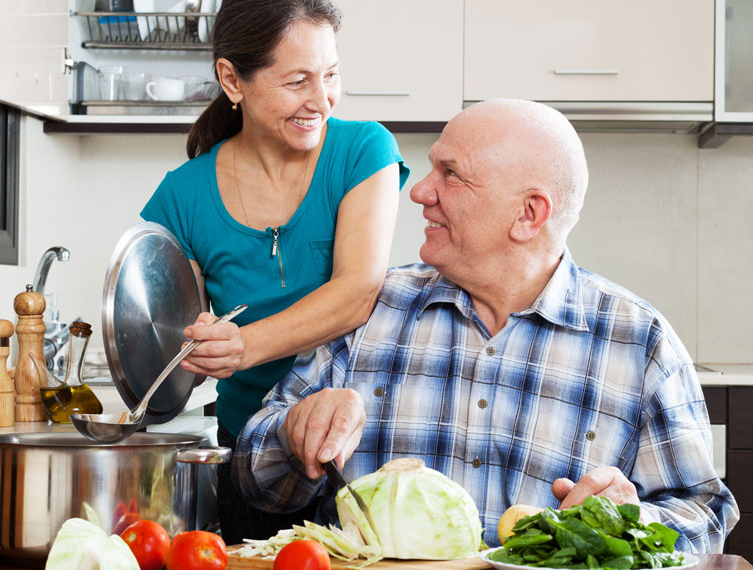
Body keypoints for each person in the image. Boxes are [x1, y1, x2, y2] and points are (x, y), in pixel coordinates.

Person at [231, 99, 739, 553]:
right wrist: (291, 435)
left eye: (451, 174)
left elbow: (704, 513)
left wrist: (627, 519)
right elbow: (256, 481)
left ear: (528, 214)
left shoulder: (639, 342)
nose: (420, 192)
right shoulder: (368, 309)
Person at [140, 0, 409, 543]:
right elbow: (171, 342)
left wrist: (244, 345)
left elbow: (357, 290)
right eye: (297, 82)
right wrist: (199, 346)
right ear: (231, 80)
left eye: (330, 76)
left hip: (356, 453)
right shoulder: (181, 195)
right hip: (253, 460)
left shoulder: (362, 150)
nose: (321, 100)